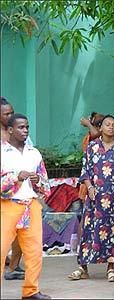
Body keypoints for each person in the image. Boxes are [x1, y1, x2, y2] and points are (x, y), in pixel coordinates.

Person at [68, 115, 114, 282]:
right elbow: (86, 170)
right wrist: (89, 187)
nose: (111, 127)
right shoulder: (92, 147)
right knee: (89, 230)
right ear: (101, 128)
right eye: (107, 124)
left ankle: (110, 268)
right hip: (95, 196)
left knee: (112, 231)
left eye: (113, 125)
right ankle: (83, 267)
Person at [1, 113, 52, 299]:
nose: (25, 131)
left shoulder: (34, 153)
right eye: (21, 127)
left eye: (27, 127)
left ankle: (31, 291)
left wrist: (38, 180)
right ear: (10, 130)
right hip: (7, 206)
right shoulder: (2, 153)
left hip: (30, 205)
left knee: (34, 252)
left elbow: (45, 183)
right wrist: (16, 176)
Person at [1, 97, 26, 281]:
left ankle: (14, 266)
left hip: (19, 191)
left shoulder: (19, 131)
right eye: (6, 114)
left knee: (20, 229)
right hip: (3, 187)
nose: (10, 116)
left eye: (12, 112)